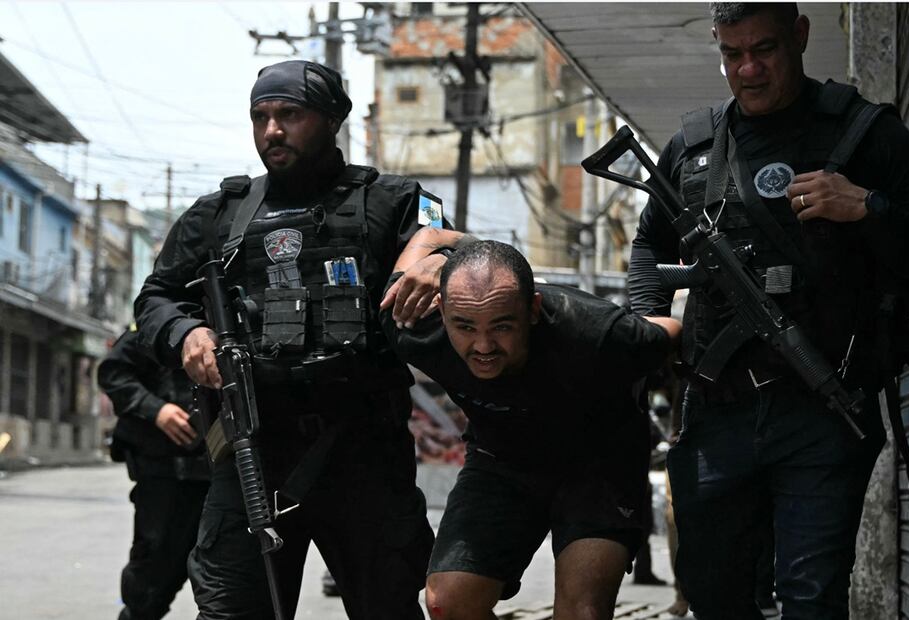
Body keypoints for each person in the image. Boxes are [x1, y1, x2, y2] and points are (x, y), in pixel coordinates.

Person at [626, 3, 909, 618]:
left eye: (766, 50)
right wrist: (651, 319)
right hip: (717, 412)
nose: (750, 69)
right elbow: (651, 243)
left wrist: (869, 208)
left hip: (824, 408)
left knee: (810, 599)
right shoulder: (695, 145)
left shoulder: (867, 134)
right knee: (713, 593)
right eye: (733, 55)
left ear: (802, 36)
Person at [134, 59, 455, 619]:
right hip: (253, 448)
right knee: (232, 609)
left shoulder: (395, 201)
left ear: (332, 119)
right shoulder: (220, 214)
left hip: (363, 451)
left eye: (289, 114)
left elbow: (449, 246)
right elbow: (156, 297)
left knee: (387, 606)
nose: (272, 131)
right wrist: (187, 331)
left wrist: (442, 259)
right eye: (260, 117)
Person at [380, 239, 682, 619]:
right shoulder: (413, 326)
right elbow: (426, 235)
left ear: (534, 309)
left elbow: (669, 330)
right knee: (448, 603)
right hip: (501, 460)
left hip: (600, 464)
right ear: (441, 311)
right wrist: (440, 257)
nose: (483, 345)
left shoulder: (597, 332)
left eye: (502, 326)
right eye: (465, 326)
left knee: (582, 613)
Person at [98, 326, 211, 620]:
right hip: (166, 472)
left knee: (228, 584)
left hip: (226, 469)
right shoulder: (161, 316)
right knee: (152, 580)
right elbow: (112, 372)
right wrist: (156, 410)